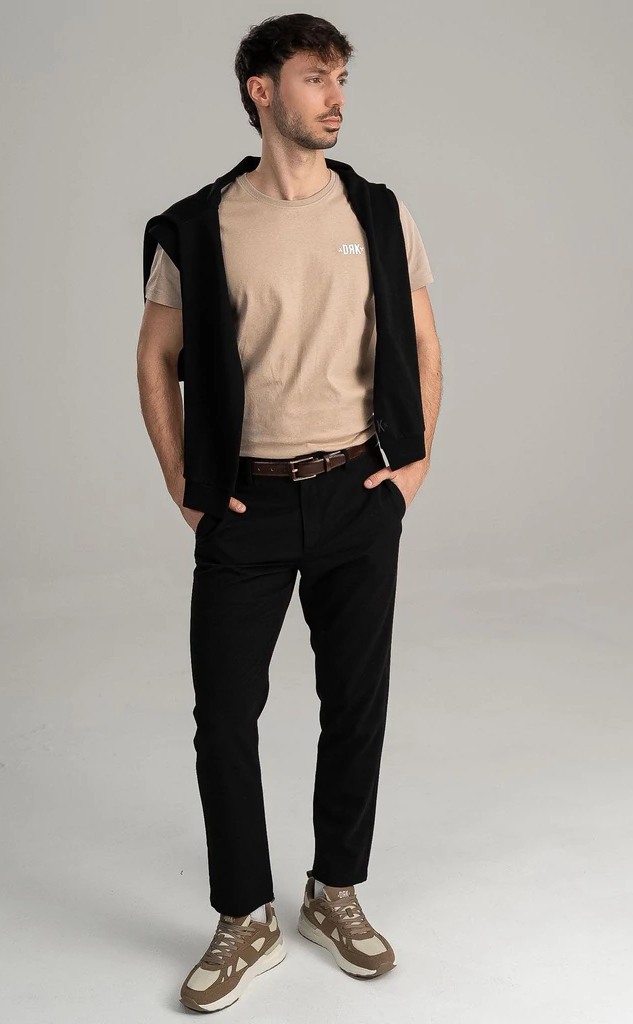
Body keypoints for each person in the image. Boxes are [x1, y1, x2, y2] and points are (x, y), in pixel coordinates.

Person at [136, 13, 442, 1013]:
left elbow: (424, 342)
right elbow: (156, 358)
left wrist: (413, 468)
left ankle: (334, 892)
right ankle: (244, 916)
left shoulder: (380, 213)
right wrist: (187, 487)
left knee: (356, 705)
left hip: (358, 492)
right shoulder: (198, 226)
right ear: (261, 90)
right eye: (316, 77)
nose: (336, 96)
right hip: (247, 505)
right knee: (224, 717)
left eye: (342, 77)